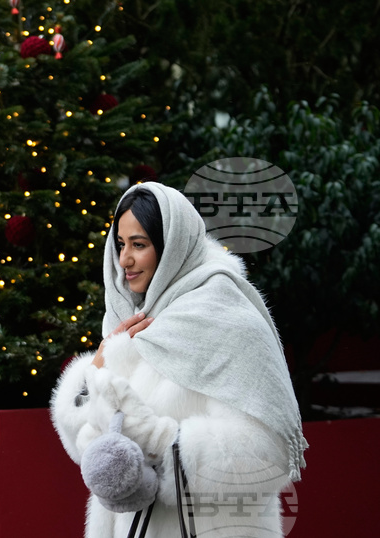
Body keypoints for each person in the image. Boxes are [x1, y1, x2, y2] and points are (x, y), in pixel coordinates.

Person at [51, 182, 307, 538]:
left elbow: (266, 455)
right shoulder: (131, 322)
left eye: (139, 245)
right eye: (120, 245)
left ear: (172, 245)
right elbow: (85, 447)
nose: (124, 260)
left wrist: (156, 439)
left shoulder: (228, 319)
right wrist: (98, 367)